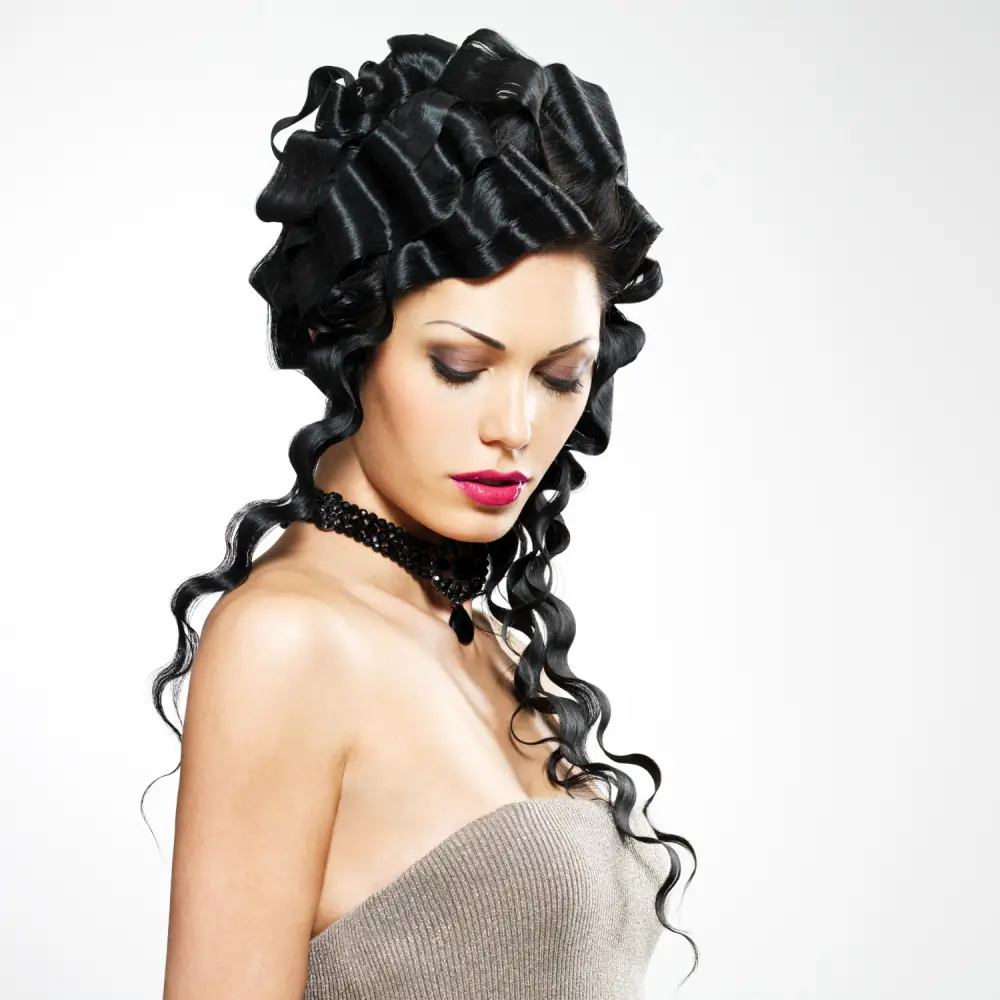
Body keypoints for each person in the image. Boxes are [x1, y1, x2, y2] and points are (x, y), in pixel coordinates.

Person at [145, 27, 698, 999]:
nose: (515, 428)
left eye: (560, 376)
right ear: (348, 336)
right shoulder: (289, 640)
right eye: (459, 365)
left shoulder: (475, 631)